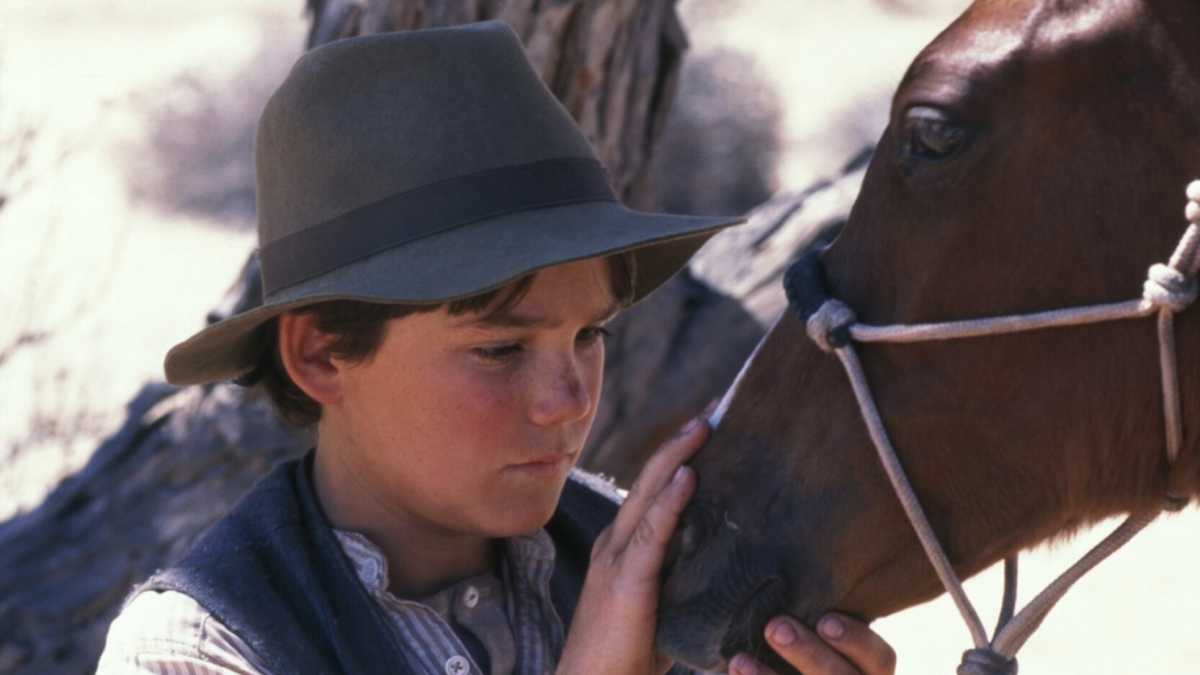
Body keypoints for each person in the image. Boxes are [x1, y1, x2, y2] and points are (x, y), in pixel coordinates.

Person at [96, 21, 896, 675]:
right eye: (500, 349)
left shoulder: (667, 576)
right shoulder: (200, 648)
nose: (571, 399)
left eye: (589, 334)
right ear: (320, 355)